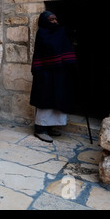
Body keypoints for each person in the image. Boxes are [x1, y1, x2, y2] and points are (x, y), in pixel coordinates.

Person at [30, 11, 77, 143]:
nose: (55, 21)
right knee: (45, 100)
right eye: (51, 19)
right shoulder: (43, 33)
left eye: (56, 19)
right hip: (45, 73)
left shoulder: (60, 32)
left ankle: (49, 127)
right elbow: (50, 48)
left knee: (57, 99)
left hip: (59, 73)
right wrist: (62, 34)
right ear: (45, 21)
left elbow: (65, 47)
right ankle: (40, 129)